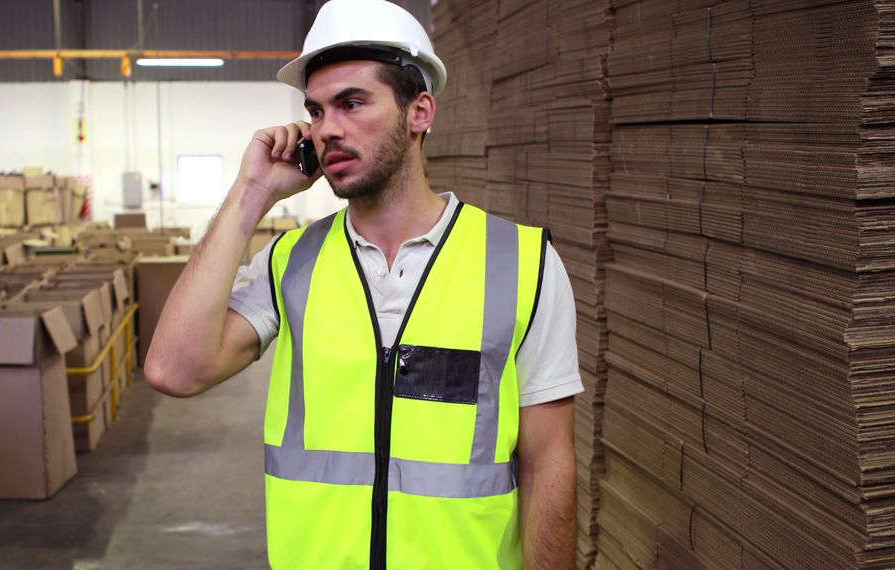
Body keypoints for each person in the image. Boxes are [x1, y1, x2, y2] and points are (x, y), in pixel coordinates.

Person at [144, 0, 582, 567]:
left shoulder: (523, 264)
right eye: (317, 111)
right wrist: (251, 193)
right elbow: (173, 371)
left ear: (420, 111)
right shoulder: (291, 262)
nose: (328, 130)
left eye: (352, 104)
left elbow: (550, 462)